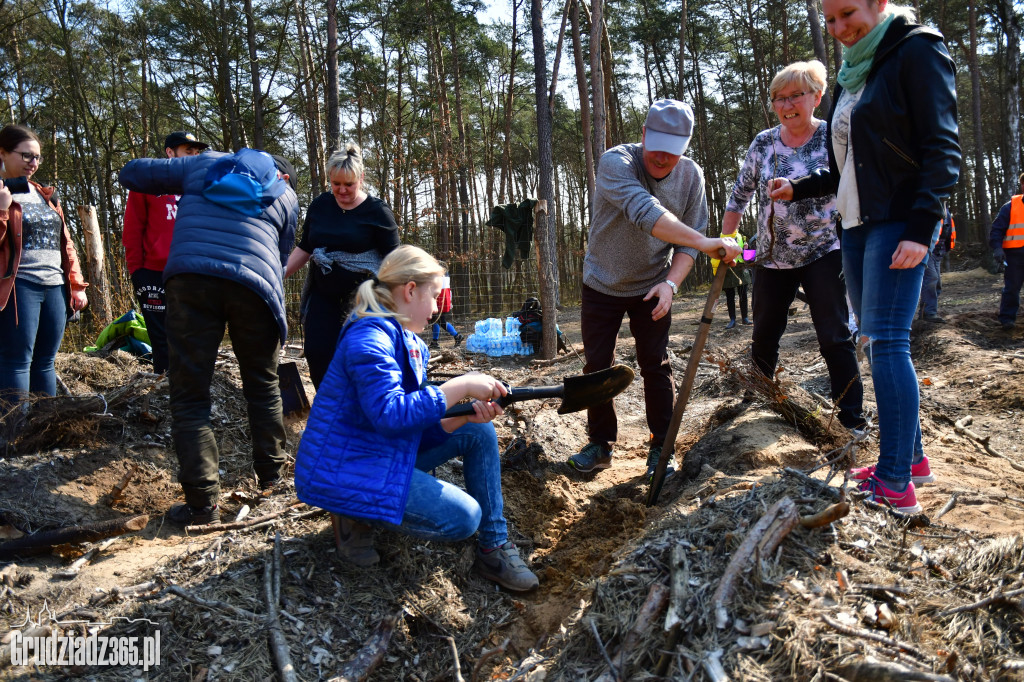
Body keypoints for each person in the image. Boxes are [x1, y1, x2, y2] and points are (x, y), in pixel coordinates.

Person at [770, 0, 960, 512]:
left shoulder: (917, 50)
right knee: (875, 342)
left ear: (879, 3)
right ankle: (911, 457)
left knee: (890, 344)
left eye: (847, 13)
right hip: (852, 225)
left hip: (898, 222)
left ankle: (897, 483)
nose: (838, 28)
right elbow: (848, 166)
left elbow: (943, 150)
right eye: (830, 20)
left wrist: (923, 228)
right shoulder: (857, 71)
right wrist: (799, 187)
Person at [294, 245, 539, 592]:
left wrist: (462, 418)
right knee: (463, 517)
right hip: (345, 468)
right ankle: (354, 511)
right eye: (435, 296)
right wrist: (462, 385)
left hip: (380, 454)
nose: (439, 307)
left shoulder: (408, 341)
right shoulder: (369, 338)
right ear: (410, 290)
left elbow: (413, 424)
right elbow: (391, 416)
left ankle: (494, 546)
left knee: (479, 429)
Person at [119, 148, 299, 525]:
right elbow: (282, 258)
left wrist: (183, 169)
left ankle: (202, 506)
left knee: (190, 394)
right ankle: (272, 483)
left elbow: (132, 173)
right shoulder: (286, 196)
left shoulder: (204, 164)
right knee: (263, 386)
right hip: (257, 286)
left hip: (191, 279)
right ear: (281, 176)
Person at [567, 99, 741, 480]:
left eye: (673, 152)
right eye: (656, 147)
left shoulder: (691, 177)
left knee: (656, 365)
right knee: (597, 366)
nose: (662, 158)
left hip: (653, 284)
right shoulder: (616, 162)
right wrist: (708, 241)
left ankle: (662, 446)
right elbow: (648, 214)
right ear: (643, 134)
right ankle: (601, 444)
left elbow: (685, 248)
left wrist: (670, 284)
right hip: (602, 281)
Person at [723, 60, 865, 432]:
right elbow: (739, 196)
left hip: (825, 249)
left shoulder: (832, 137)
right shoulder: (764, 143)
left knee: (833, 334)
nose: (787, 105)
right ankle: (757, 400)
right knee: (765, 331)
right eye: (778, 98)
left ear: (816, 97)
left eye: (795, 96)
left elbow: (847, 183)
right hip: (772, 255)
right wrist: (728, 239)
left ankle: (850, 417)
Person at [284, 144, 399, 389]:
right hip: (323, 292)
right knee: (317, 352)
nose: (342, 190)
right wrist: (279, 274)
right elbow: (305, 247)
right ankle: (329, 409)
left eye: (349, 184)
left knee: (360, 355)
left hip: (364, 297)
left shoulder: (378, 212)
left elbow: (393, 260)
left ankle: (362, 411)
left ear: (361, 179)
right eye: (336, 184)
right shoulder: (320, 205)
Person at [0, 124, 89, 405]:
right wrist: (2, 209)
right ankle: (14, 436)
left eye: (37, 157)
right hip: (19, 286)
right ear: (2, 153)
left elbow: (66, 244)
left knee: (46, 361)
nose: (33, 163)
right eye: (26, 156)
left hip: (55, 286)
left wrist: (76, 284)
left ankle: (45, 433)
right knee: (17, 360)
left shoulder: (45, 194)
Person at [122, 131, 209, 374]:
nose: (193, 157)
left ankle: (195, 388)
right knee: (162, 339)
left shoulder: (202, 184)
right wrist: (136, 270)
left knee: (193, 333)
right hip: (154, 272)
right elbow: (133, 229)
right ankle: (164, 389)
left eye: (196, 152)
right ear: (170, 153)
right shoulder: (147, 184)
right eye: (187, 151)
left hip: (193, 271)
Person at [989, 173, 1024, 331]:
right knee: (1012, 287)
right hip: (1015, 255)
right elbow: (996, 230)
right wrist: (997, 248)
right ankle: (1007, 319)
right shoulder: (1010, 206)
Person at [919, 206, 955, 323]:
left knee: (937, 283)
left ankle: (926, 312)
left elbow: (947, 231)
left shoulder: (945, 209)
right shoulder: (931, 204)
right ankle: (928, 313)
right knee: (931, 279)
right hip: (928, 250)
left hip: (938, 252)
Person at [712, 230, 751, 329]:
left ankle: (745, 318)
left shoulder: (741, 236)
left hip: (741, 267)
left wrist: (747, 248)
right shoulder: (722, 236)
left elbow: (748, 257)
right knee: (730, 296)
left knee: (743, 295)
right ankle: (732, 320)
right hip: (727, 269)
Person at [429, 271, 463, 349]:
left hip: (440, 298)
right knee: (436, 320)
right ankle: (435, 342)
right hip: (443, 297)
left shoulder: (436, 271)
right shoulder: (444, 272)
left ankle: (457, 336)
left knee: (440, 321)